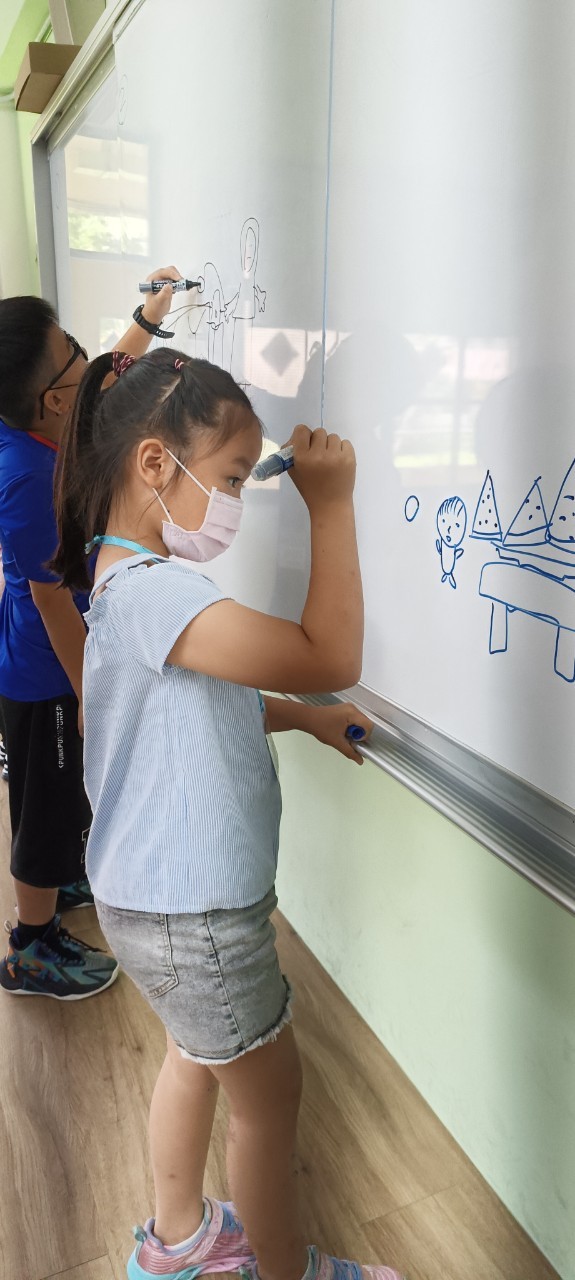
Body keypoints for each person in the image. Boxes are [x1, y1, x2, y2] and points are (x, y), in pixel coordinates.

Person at [50, 346, 406, 1280]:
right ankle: (289, 1271)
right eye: (235, 478)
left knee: (194, 1053)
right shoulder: (161, 594)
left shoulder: (119, 578)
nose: (241, 500)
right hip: (196, 915)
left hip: (151, 903)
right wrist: (331, 504)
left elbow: (198, 704)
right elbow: (328, 652)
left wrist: (300, 717)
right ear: (155, 463)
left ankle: (177, 1240)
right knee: (268, 1097)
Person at [0, 270, 183, 1000]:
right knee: (43, 817)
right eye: (73, 349)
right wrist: (90, 694)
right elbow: (52, 604)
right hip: (47, 672)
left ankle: (58, 883)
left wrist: (149, 318)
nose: (88, 357)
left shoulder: (33, 419)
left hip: (46, 663)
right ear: (54, 400)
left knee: (60, 795)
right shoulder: (26, 477)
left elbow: (102, 375)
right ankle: (30, 947)